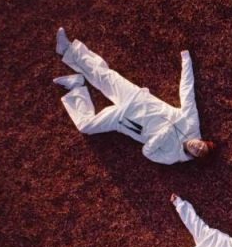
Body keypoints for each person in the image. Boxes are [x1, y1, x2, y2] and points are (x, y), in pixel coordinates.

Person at [51, 28, 215, 164]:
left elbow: (147, 152)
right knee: (102, 74)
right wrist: (186, 61)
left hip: (123, 120)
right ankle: (67, 49)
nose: (197, 148)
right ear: (202, 140)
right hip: (136, 98)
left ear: (194, 156)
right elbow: (187, 92)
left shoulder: (172, 157)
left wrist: (164, 134)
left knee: (86, 126)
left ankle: (76, 86)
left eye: (198, 152)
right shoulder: (192, 122)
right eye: (202, 146)